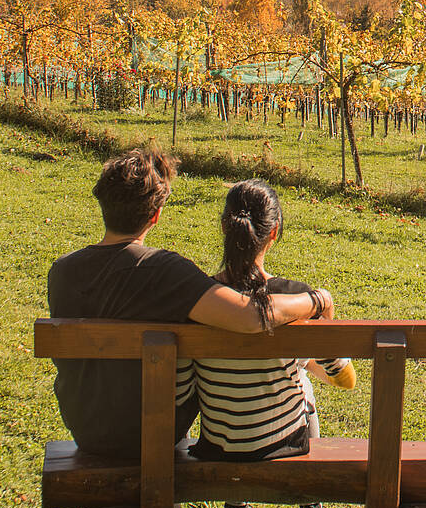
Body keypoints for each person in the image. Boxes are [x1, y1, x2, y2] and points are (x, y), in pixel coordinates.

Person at [46, 147, 333, 460]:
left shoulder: (63, 270)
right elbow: (250, 316)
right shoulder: (162, 270)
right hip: (150, 430)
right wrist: (317, 300)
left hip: (86, 429)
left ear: (103, 203)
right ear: (156, 215)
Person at [177, 179, 353, 508]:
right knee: (301, 382)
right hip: (284, 444)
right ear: (274, 233)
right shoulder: (296, 299)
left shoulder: (201, 301)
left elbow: (182, 390)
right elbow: (344, 376)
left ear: (225, 227)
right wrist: (310, 359)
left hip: (221, 447)